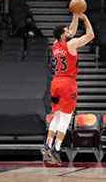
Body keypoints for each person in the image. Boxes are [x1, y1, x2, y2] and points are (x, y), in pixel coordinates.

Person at [41, 13, 95, 165]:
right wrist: (85, 18)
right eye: (66, 32)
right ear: (62, 35)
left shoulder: (55, 45)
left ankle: (47, 145)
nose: (69, 33)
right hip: (67, 84)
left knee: (56, 116)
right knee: (65, 119)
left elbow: (71, 31)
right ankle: (56, 150)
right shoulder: (71, 45)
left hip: (55, 83)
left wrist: (75, 16)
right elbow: (90, 35)